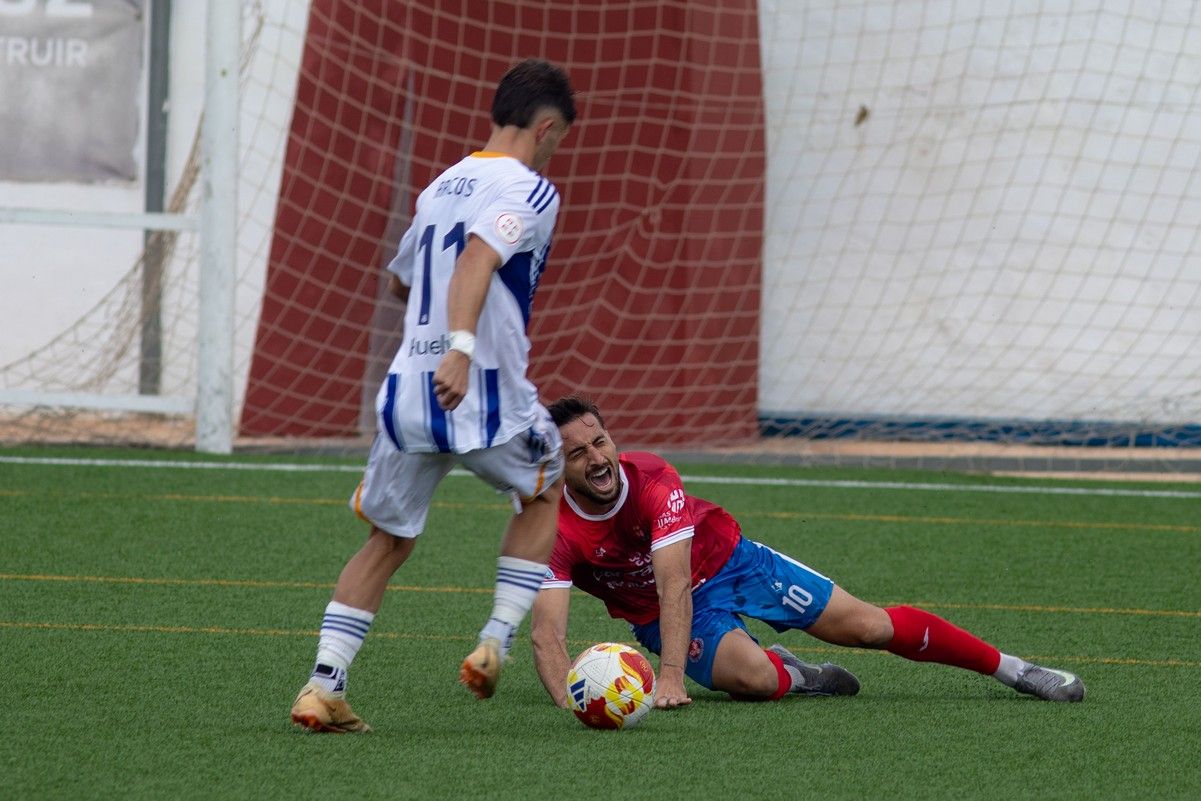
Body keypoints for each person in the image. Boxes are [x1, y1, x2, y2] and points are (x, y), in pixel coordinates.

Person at [290, 59, 577, 733]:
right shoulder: (530, 189)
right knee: (543, 491)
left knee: (387, 539)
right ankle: (495, 639)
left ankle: (322, 684)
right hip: (479, 388)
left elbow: (401, 282)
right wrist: (460, 345)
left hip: (406, 393)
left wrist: (439, 330)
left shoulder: (441, 185)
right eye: (559, 135)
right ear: (545, 126)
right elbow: (478, 257)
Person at [531, 396, 1086, 708]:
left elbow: (674, 581)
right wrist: (570, 702)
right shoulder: (551, 528)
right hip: (655, 614)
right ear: (560, 467)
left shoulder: (653, 479)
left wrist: (670, 677)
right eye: (577, 454)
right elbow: (547, 633)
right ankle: (801, 675)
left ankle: (1014, 669)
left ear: (612, 440)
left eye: (599, 441)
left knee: (870, 627)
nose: (595, 458)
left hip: (732, 564)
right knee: (756, 682)